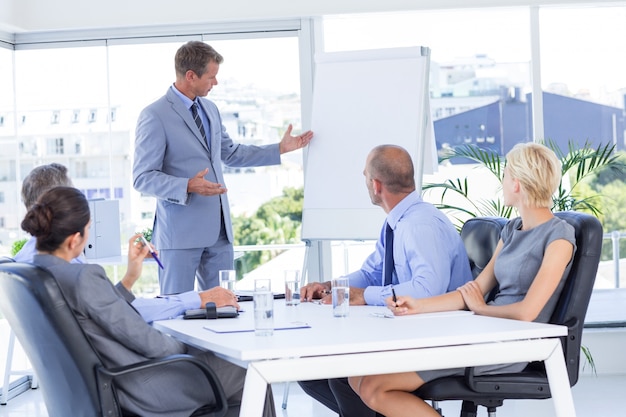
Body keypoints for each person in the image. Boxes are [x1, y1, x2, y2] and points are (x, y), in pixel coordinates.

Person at [347, 142, 576, 417]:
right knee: (358, 377)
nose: (501, 182)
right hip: (484, 331)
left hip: (512, 343)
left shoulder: (559, 236)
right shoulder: (513, 230)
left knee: (373, 387)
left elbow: (528, 312)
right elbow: (473, 291)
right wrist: (418, 305)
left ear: (516, 184)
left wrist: (482, 309)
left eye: (505, 175)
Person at [22, 186, 275, 417]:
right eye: (88, 229)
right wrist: (191, 346)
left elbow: (95, 314)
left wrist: (130, 277)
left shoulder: (37, 272)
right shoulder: (83, 277)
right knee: (252, 373)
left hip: (106, 384)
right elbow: (159, 348)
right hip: (143, 389)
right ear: (74, 239)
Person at [297, 144, 473, 416]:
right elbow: (372, 273)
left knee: (341, 375)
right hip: (407, 332)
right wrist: (331, 286)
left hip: (438, 336)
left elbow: (427, 290)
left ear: (376, 185)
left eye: (365, 175)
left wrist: (363, 296)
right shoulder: (396, 222)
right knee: (313, 372)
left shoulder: (420, 225)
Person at [133, 40, 313, 294]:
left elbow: (231, 153)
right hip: (180, 236)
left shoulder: (210, 109)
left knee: (224, 309)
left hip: (220, 233)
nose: (215, 83)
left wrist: (279, 149)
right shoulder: (154, 115)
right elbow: (142, 177)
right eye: (211, 77)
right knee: (175, 312)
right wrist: (186, 185)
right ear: (191, 76)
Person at [14, 164, 239, 324]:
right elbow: (125, 313)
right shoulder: (73, 272)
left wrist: (130, 277)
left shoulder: (25, 261)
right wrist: (196, 298)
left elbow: (104, 306)